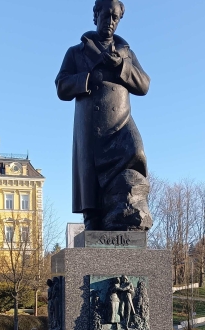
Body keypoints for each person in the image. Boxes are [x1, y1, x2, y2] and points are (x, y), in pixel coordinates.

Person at [56, 0, 152, 231]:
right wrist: (87, 79)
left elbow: (144, 85)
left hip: (121, 121)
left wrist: (122, 67)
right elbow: (61, 86)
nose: (110, 21)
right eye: (106, 15)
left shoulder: (126, 53)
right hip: (91, 125)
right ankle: (94, 220)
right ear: (96, 15)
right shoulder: (77, 52)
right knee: (91, 175)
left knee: (136, 151)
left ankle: (127, 207)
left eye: (115, 17)